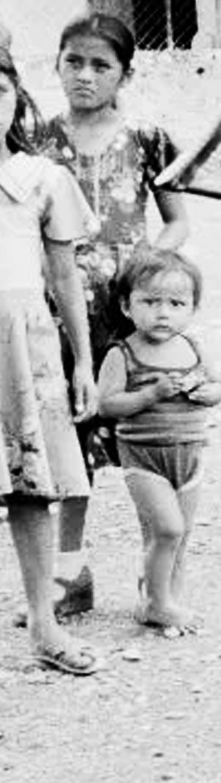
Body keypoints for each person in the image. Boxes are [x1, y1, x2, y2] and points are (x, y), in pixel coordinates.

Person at [33, 12, 189, 623]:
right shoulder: (37, 141)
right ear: (57, 65)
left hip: (131, 314)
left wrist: (154, 264)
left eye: (101, 65)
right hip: (61, 312)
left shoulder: (146, 138)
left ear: (125, 72)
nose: (86, 77)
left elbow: (176, 218)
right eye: (75, 62)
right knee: (72, 437)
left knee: (147, 433)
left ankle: (163, 578)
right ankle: (70, 571)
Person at [0, 47, 100, 677]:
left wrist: (84, 360)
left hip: (23, 346)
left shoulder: (40, 178)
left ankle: (43, 621)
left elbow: (66, 282)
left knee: (32, 489)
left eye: (0, 89)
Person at [95, 246, 219, 637]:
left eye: (176, 303)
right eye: (150, 301)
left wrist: (204, 392)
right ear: (127, 306)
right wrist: (149, 395)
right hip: (144, 458)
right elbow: (108, 404)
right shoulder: (123, 352)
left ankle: (165, 598)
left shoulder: (192, 348)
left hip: (190, 456)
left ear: (192, 308)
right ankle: (157, 604)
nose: (163, 312)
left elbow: (218, 388)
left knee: (179, 536)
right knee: (168, 529)